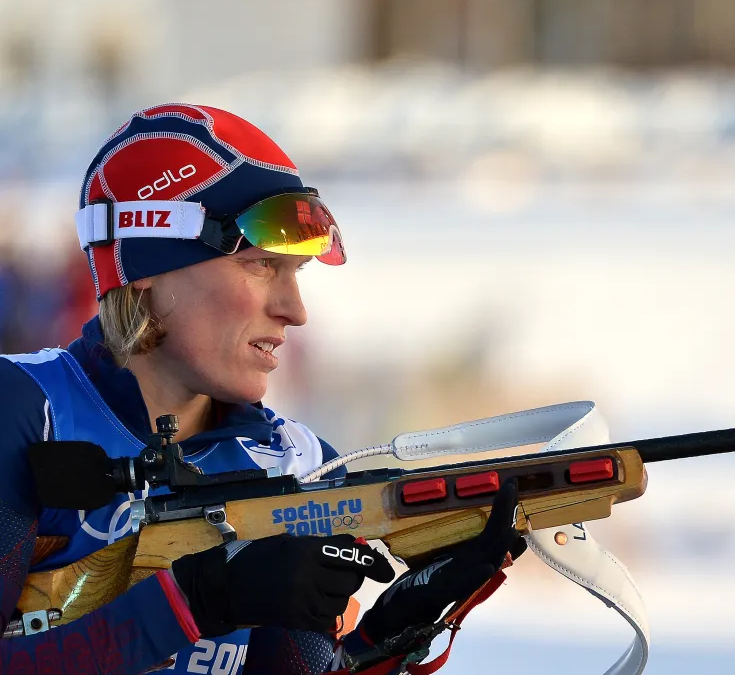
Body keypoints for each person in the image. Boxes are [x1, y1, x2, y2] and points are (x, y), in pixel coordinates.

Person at [0, 104, 524, 674]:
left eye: (295, 273)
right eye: (259, 266)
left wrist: (392, 633)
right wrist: (198, 601)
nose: (295, 311)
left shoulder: (298, 463)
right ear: (147, 264)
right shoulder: (27, 411)